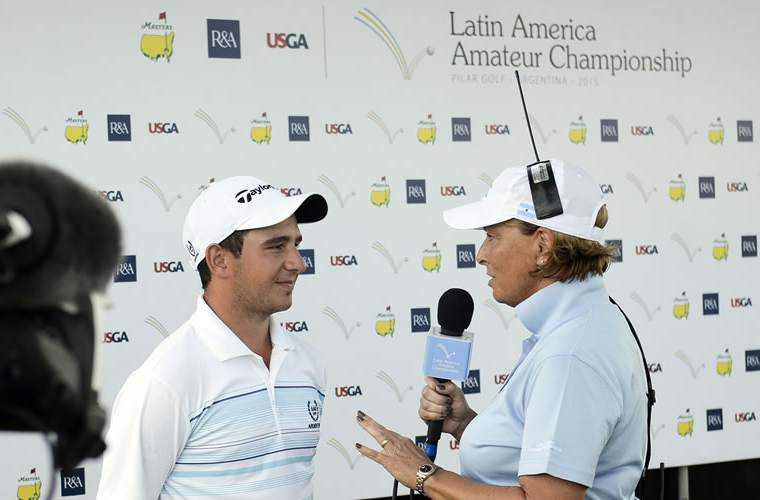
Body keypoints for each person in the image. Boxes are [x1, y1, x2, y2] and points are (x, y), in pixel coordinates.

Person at [355, 159, 648, 499]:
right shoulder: (580, 325)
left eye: (492, 237)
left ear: (542, 246)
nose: (481, 255)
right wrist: (465, 424)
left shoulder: (569, 353)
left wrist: (423, 475)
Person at [97, 176, 329, 500]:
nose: (298, 262)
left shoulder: (306, 362)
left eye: (296, 244)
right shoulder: (165, 381)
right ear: (218, 259)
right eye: (276, 246)